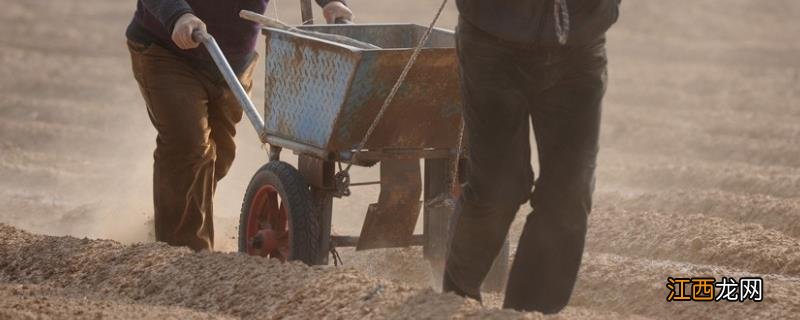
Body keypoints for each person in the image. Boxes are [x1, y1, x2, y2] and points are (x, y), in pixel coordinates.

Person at [126, 0, 353, 251]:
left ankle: (172, 219)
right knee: (189, 146)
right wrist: (178, 15)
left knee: (219, 156)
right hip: (167, 51)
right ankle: (184, 255)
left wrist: (332, 3)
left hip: (232, 62)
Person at [443, 0, 621, 313]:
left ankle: (528, 312)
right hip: (492, 40)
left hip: (579, 41)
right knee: (498, 189)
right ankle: (456, 302)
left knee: (569, 192)